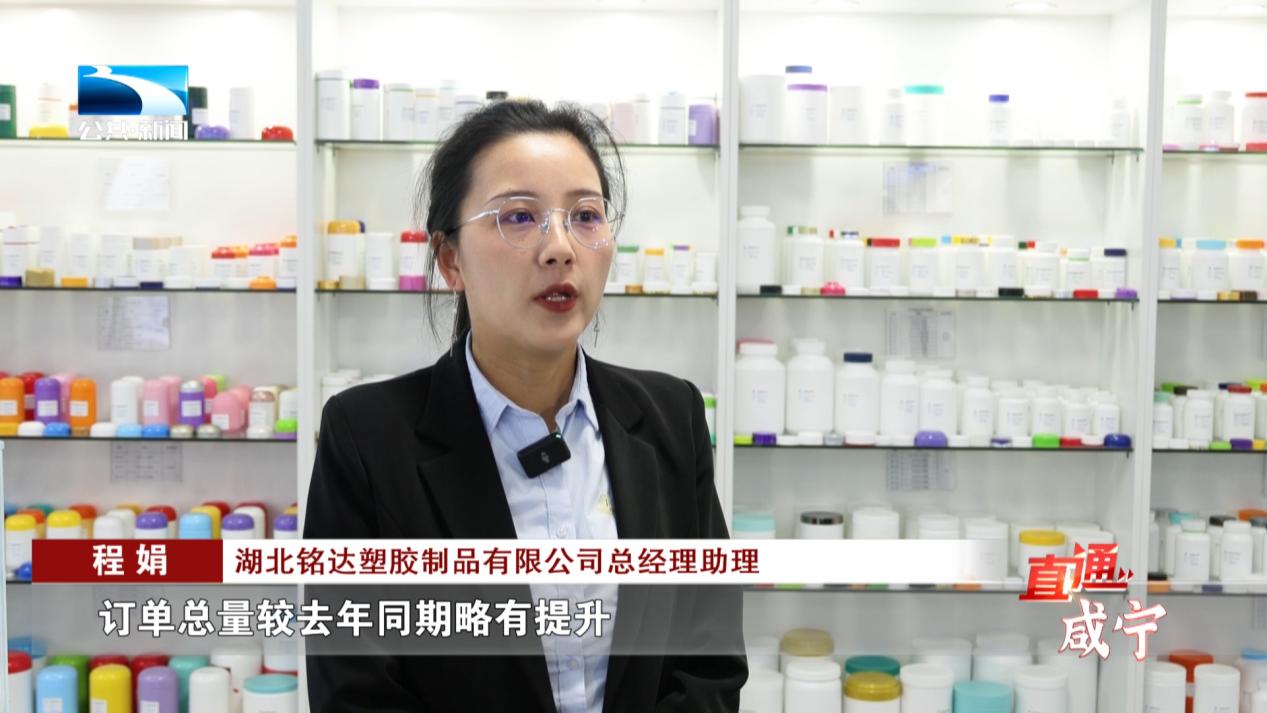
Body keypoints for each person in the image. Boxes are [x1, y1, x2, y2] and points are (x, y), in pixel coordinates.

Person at [304, 99, 747, 712]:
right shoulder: (367, 438)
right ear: (451, 259)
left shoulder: (671, 416)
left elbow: (709, 658)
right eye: (518, 216)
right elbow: (355, 693)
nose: (560, 248)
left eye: (585, 215)